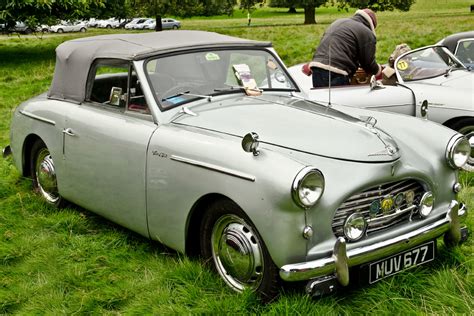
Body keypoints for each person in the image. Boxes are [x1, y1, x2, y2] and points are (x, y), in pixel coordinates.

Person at [303, 9, 382, 88]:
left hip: (316, 68)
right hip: (336, 72)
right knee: (338, 100)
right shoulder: (366, 32)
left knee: (320, 99)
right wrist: (380, 70)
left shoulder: (338, 22)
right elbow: (368, 65)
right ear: (371, 25)